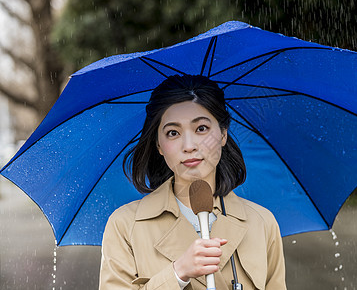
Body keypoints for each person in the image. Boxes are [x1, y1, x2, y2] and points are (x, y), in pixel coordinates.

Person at [99, 74, 286, 289]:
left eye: (201, 129)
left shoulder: (262, 222)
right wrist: (178, 272)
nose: (189, 145)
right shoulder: (125, 225)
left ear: (223, 134)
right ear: (158, 145)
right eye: (173, 133)